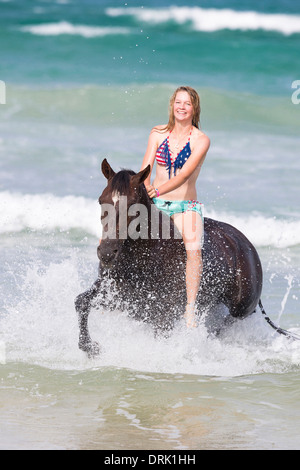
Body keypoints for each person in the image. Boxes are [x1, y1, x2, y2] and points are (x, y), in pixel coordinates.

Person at [140, 86, 210, 328]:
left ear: (194, 109)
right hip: (156, 203)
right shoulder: (158, 133)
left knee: (194, 251)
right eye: (178, 102)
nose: (182, 107)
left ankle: (190, 308)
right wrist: (146, 192)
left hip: (184, 206)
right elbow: (145, 170)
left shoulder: (201, 140)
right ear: (172, 105)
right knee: (120, 232)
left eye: (187, 103)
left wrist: (158, 191)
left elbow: (184, 175)